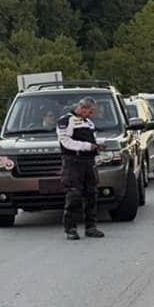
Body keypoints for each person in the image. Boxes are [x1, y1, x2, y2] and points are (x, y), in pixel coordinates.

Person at [57, 96, 105, 239]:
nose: (91, 115)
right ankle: (70, 228)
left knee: (92, 194)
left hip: (88, 162)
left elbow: (91, 140)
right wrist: (86, 146)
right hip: (73, 162)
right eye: (90, 112)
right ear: (82, 108)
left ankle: (91, 227)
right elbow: (65, 142)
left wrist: (97, 146)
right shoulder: (66, 120)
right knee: (74, 194)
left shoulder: (88, 123)